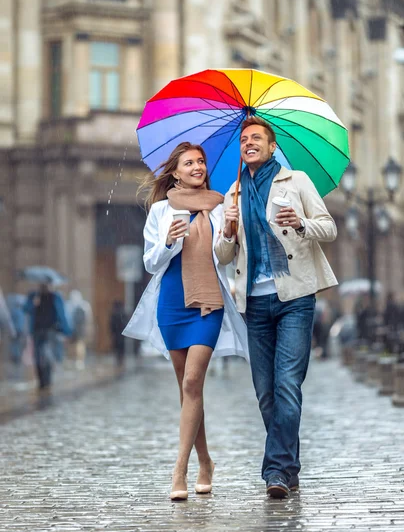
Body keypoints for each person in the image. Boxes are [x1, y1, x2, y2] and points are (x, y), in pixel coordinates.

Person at [215, 116, 338, 499]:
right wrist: (228, 229)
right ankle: (288, 466)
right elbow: (222, 256)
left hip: (295, 298)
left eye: (257, 138)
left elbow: (328, 227)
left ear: (271, 148)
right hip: (254, 302)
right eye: (244, 139)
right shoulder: (232, 194)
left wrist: (301, 223)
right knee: (265, 393)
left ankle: (275, 471)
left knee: (287, 384)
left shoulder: (295, 181)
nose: (249, 143)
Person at [123, 141, 248, 501]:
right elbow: (151, 263)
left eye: (200, 161)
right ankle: (206, 461)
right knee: (187, 392)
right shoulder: (161, 211)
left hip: (208, 304)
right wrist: (167, 242)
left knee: (193, 381)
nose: (197, 166)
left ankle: (179, 470)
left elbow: (225, 258)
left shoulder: (223, 205)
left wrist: (229, 232)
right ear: (175, 172)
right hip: (172, 305)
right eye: (189, 162)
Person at [24, 283, 71, 390]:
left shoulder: (55, 296)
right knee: (37, 355)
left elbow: (61, 313)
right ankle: (41, 380)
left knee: (47, 354)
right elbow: (26, 309)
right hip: (36, 330)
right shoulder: (34, 296)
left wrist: (66, 331)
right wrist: (33, 303)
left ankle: (47, 380)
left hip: (50, 331)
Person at [66, 290, 94, 369]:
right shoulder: (69, 305)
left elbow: (88, 319)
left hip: (79, 329)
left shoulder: (84, 305)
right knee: (73, 345)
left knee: (79, 345)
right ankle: (73, 359)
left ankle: (79, 360)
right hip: (73, 329)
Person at [109, 300, 129, 368]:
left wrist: (112, 333)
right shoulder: (123, 313)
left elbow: (111, 325)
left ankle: (119, 362)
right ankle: (121, 362)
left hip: (116, 335)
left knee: (117, 349)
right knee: (121, 349)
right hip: (122, 335)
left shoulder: (114, 314)